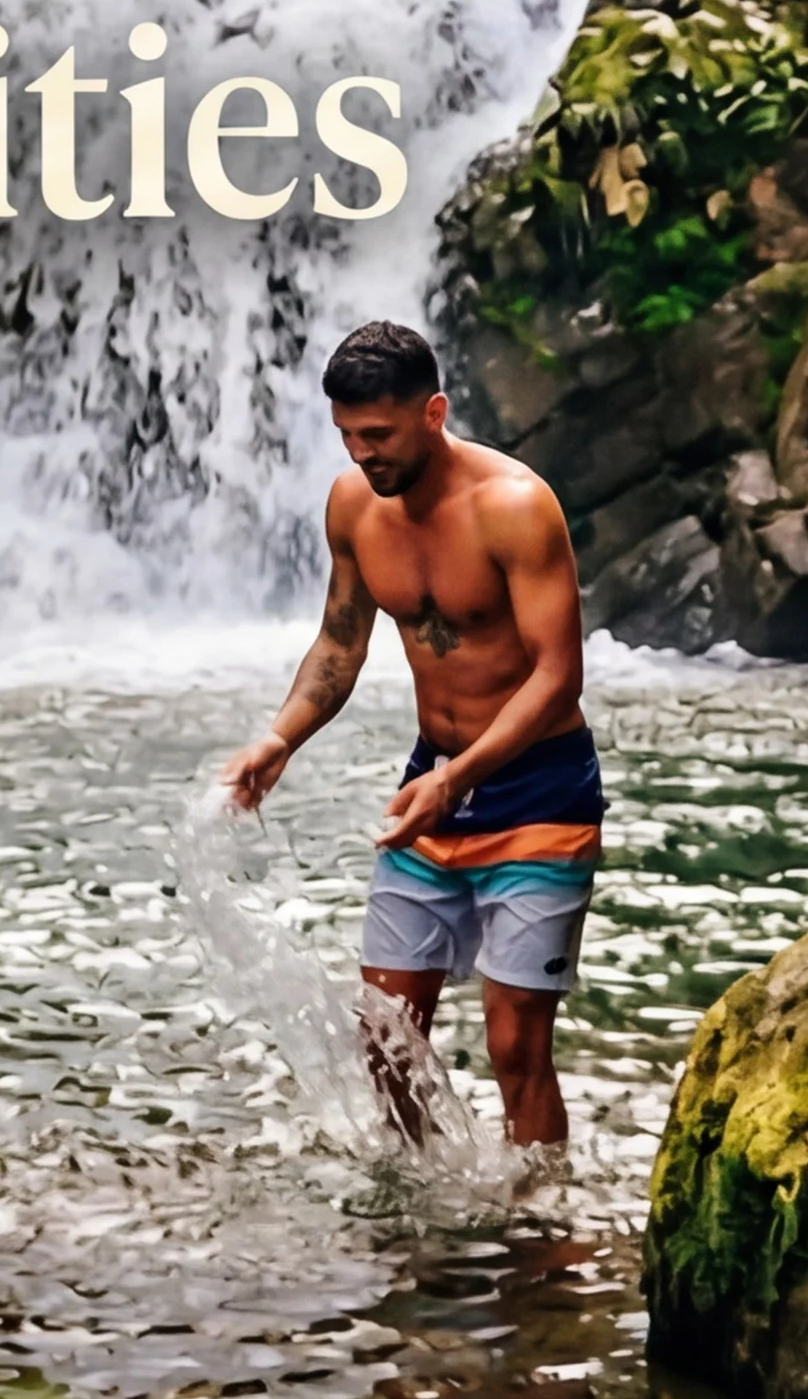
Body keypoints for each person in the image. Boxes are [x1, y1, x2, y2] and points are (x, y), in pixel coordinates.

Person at [219, 320, 594, 1153]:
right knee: (387, 1039)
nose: (361, 455)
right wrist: (280, 739)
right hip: (431, 788)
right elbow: (341, 641)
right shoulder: (355, 505)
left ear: (433, 412)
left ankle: (539, 1235)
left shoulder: (516, 508)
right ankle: (421, 1215)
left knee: (516, 1046)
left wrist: (457, 779)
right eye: (347, 436)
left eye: (378, 435)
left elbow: (556, 676)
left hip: (538, 791)